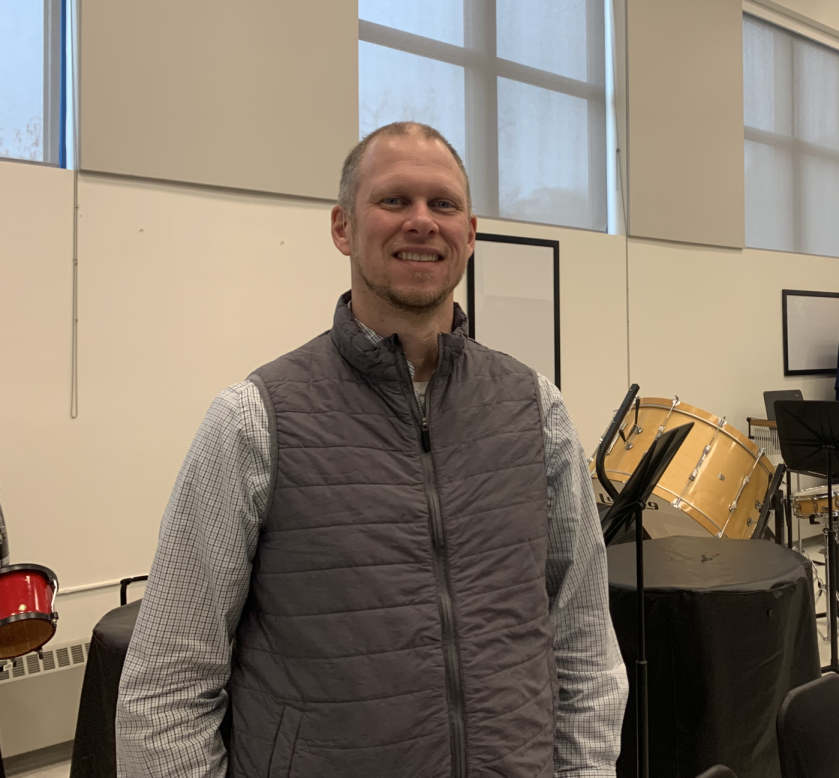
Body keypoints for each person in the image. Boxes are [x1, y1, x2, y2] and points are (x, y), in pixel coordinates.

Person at [116, 122, 628, 777]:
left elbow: (583, 642)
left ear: (470, 234)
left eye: (443, 205)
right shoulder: (252, 421)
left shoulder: (538, 413)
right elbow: (165, 691)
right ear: (342, 228)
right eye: (393, 201)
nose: (422, 221)